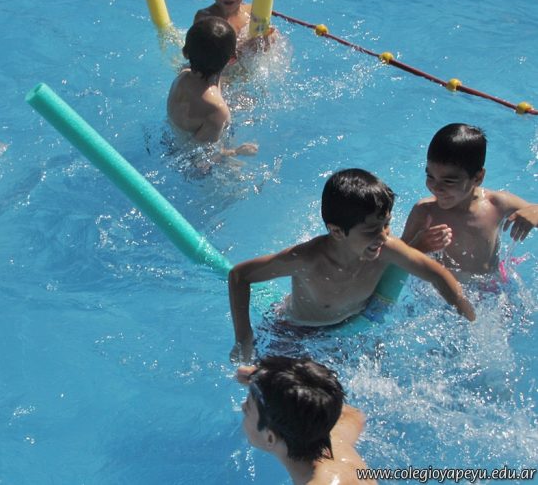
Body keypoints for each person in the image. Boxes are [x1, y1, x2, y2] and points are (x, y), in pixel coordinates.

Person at [229, 168, 475, 361]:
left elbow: (437, 275)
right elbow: (240, 275)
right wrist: (243, 338)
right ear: (337, 231)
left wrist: (469, 320)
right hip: (296, 331)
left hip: (355, 326)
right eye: (371, 230)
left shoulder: (387, 248)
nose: (383, 236)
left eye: (387, 224)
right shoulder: (307, 259)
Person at [401, 123, 538, 278]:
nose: (436, 188)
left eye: (448, 181)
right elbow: (394, 256)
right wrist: (419, 247)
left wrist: (535, 212)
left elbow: (534, 211)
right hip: (442, 287)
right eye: (430, 176)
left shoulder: (497, 204)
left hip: (492, 284)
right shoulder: (425, 212)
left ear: (478, 177)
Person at [237, 356, 376, 485]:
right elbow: (353, 413)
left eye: (247, 410)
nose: (242, 406)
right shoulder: (335, 439)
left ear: (270, 438)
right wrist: (270, 381)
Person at [167, 17, 257, 156]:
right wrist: (237, 151)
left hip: (171, 140)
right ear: (232, 59)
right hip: (189, 159)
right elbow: (200, 158)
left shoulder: (182, 76)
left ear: (185, 52)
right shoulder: (217, 110)